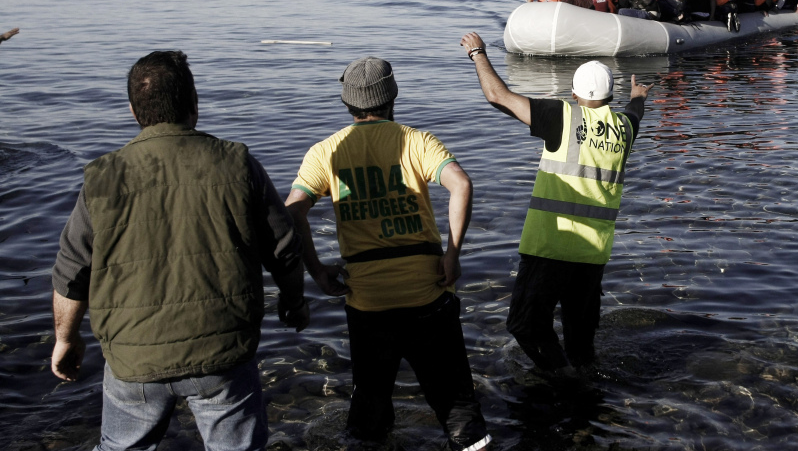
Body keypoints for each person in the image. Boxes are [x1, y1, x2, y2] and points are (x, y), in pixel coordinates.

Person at [51, 50, 307, 451]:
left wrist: (65, 339)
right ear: (194, 105)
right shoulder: (238, 163)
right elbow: (284, 248)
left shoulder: (102, 176)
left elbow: (71, 273)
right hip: (221, 356)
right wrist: (294, 302)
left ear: (134, 111)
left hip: (133, 359)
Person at [284, 57, 490, 449]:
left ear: (347, 102)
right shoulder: (417, 141)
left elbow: (293, 213)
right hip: (427, 294)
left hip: (367, 302)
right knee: (457, 407)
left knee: (370, 409)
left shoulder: (325, 151)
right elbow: (461, 184)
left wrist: (316, 271)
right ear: (392, 96)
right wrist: (452, 254)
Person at [458, 33, 653, 377]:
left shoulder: (563, 116)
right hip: (592, 254)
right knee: (581, 341)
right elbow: (634, 113)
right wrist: (638, 97)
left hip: (551, 247)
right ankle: (585, 402)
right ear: (610, 97)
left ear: (574, 95)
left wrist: (478, 53)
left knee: (524, 324)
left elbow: (498, 97)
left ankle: (566, 382)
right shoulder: (623, 128)